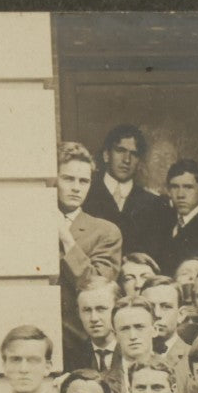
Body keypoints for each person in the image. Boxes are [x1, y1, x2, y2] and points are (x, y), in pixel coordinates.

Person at [57, 142, 125, 373]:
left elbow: (96, 285)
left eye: (83, 181)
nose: (76, 187)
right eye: (68, 179)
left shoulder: (105, 231)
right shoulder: (33, 225)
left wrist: (66, 238)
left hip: (81, 345)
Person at [84, 125, 173, 262]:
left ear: (139, 161)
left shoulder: (155, 205)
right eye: (120, 151)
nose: (127, 160)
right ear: (107, 155)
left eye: (134, 154)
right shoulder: (85, 195)